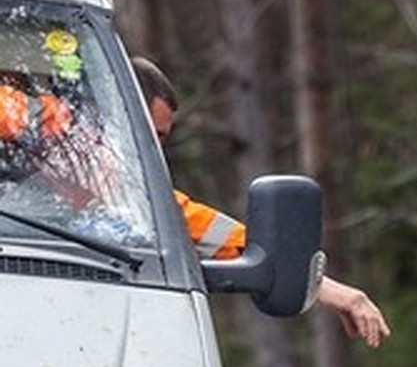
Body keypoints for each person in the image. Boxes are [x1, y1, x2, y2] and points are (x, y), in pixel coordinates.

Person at [132, 57, 391, 348]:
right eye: (149, 137)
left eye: (161, 141)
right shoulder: (87, 177)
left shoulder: (137, 197)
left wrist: (333, 291)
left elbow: (228, 239)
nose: (155, 153)